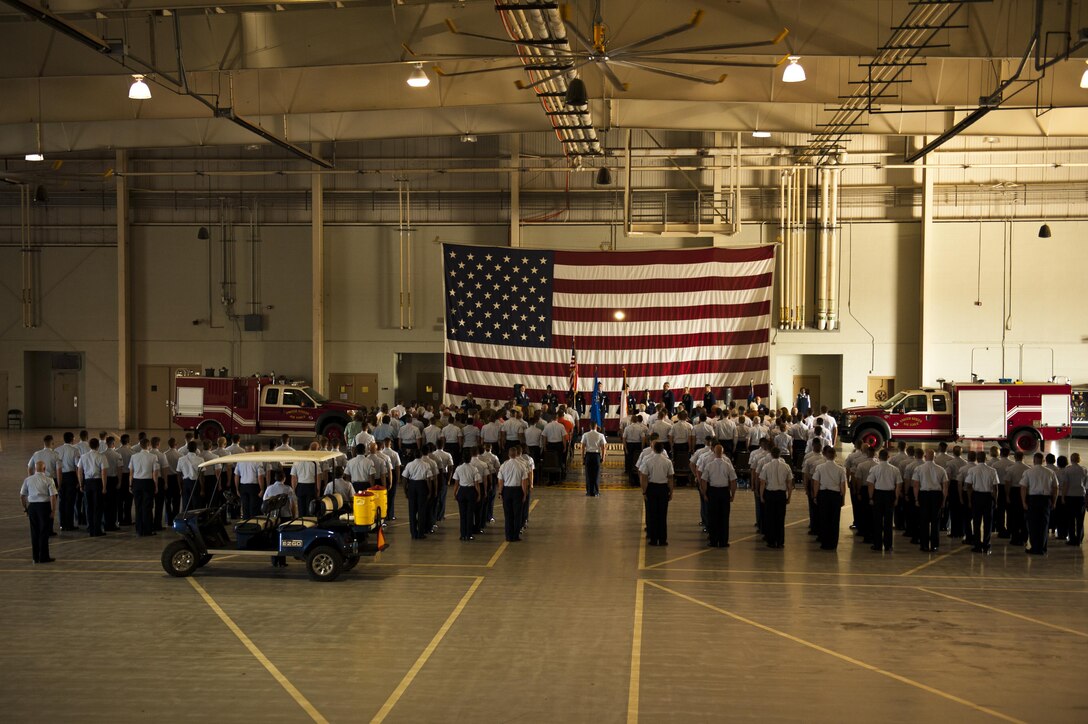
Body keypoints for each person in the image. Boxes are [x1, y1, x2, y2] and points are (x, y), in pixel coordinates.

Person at [1020, 452, 1059, 555]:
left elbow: (1023, 487)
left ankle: (1034, 547)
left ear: (1034, 460)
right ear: (1043, 461)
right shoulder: (1050, 472)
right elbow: (1055, 488)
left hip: (1033, 499)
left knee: (1033, 525)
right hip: (1046, 500)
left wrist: (1024, 502)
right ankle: (1042, 548)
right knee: (1044, 525)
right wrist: (1054, 502)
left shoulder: (1028, 472)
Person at [700, 444, 737, 548]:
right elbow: (733, 481)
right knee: (724, 517)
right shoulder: (728, 465)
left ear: (714, 452)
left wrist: (705, 493)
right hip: (724, 492)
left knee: (713, 517)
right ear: (723, 452)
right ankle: (723, 541)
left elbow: (704, 480)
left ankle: (713, 540)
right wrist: (732, 494)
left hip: (713, 492)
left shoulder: (709, 465)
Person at [21, 460, 58, 563]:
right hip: (44, 507)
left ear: (35, 469)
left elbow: (22, 496)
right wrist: (53, 510)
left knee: (34, 532)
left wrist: (25, 508)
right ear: (44, 469)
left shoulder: (28, 480)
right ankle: (44, 557)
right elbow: (53, 497)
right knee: (43, 532)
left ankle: (35, 557)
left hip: (32, 506)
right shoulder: (49, 480)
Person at [639, 442, 675, 546]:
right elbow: (670, 478)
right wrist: (671, 492)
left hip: (652, 488)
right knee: (663, 515)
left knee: (652, 514)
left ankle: (654, 539)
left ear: (653, 449)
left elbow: (644, 477)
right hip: (663, 488)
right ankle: (663, 539)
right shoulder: (668, 462)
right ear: (662, 450)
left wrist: (644, 491)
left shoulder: (647, 460)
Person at [866, 449, 903, 552]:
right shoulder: (895, 469)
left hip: (878, 495)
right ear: (888, 457)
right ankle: (888, 545)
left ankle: (877, 544)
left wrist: (871, 497)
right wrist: (896, 498)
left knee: (877, 521)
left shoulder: (874, 469)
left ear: (879, 457)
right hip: (890, 495)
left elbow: (870, 484)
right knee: (888, 521)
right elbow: (898, 485)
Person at [913, 450, 949, 553]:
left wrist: (916, 499)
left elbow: (916, 485)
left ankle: (924, 545)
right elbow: (945, 486)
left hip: (924, 495)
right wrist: (943, 499)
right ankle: (934, 545)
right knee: (935, 521)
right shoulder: (941, 470)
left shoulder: (919, 468)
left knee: (923, 521)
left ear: (925, 456)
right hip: (936, 495)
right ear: (934, 457)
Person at [812, 446, 847, 550]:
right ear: (835, 455)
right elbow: (842, 485)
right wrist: (843, 498)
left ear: (826, 455)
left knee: (824, 519)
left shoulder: (820, 467)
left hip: (824, 495)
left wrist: (815, 495)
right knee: (835, 521)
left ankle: (825, 542)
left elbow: (816, 483)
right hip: (835, 496)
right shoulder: (840, 469)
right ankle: (833, 543)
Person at [964, 457, 1000, 554]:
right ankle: (986, 544)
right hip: (988, 497)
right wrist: (995, 500)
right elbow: (995, 487)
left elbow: (968, 486)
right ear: (985, 459)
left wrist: (970, 500)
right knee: (988, 522)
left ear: (977, 459)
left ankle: (977, 545)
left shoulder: (972, 470)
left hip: (977, 496)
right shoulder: (992, 470)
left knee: (976, 522)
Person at [760, 447, 793, 548]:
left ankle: (771, 541)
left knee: (770, 518)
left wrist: (761, 495)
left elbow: (762, 483)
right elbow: (789, 484)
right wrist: (789, 497)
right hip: (781, 494)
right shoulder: (786, 466)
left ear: (771, 454)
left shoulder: (766, 466)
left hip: (770, 494)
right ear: (780, 454)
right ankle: (780, 541)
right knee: (780, 518)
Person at [128, 439, 160, 537]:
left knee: (138, 507)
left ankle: (139, 529)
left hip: (136, 482)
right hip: (148, 483)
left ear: (140, 446)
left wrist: (130, 484)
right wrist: (156, 486)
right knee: (147, 507)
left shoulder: (134, 456)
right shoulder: (153, 456)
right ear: (149, 445)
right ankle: (147, 530)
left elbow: (131, 473)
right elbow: (155, 473)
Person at [76, 438, 108, 537]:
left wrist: (81, 484)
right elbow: (103, 473)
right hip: (97, 482)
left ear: (89, 446)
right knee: (98, 507)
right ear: (98, 445)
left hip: (87, 482)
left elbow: (80, 472)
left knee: (88, 507)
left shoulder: (83, 456)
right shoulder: (101, 456)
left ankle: (90, 528)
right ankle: (97, 529)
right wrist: (104, 486)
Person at [262, 478, 297, 567]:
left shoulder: (269, 488)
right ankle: (282, 561)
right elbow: (292, 503)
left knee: (273, 538)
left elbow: (264, 501)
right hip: (285, 516)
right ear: (284, 478)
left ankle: (274, 561)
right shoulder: (288, 488)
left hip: (273, 517)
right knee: (283, 539)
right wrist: (293, 516)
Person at [498, 447, 529, 542]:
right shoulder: (521, 466)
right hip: (517, 490)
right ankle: (515, 535)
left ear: (509, 454)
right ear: (516, 454)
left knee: (508, 515)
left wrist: (500, 492)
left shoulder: (503, 465)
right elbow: (524, 482)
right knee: (517, 514)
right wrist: (524, 494)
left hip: (507, 490)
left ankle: (508, 535)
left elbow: (500, 481)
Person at [402, 452, 434, 540]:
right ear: (421, 455)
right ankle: (421, 533)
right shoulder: (426, 465)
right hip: (422, 486)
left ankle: (413, 533)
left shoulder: (409, 465)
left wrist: (405, 491)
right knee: (421, 510)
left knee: (412, 511)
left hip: (412, 485)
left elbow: (404, 478)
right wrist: (430, 491)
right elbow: (428, 479)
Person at [453, 452, 482, 541]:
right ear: (470, 459)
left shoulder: (458, 468)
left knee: (462, 514)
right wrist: (479, 494)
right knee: (470, 514)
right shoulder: (474, 469)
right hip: (471, 491)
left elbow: (456, 483)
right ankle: (469, 534)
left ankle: (462, 534)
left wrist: (454, 493)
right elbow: (476, 484)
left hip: (461, 491)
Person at [291, 443, 325, 518]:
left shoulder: (296, 461)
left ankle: (301, 524)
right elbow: (318, 477)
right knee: (310, 509)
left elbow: (293, 477)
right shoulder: (314, 461)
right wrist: (318, 489)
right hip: (311, 486)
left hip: (300, 486)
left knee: (301, 508)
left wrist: (294, 489)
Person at [55, 432, 81, 532]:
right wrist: (79, 480)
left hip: (60, 475)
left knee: (62, 501)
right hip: (71, 476)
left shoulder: (57, 450)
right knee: (70, 501)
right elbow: (77, 467)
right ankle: (69, 524)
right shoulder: (75, 450)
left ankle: (62, 524)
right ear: (72, 439)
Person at [1060, 453, 1086, 546]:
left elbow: (1065, 484)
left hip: (1070, 497)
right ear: (1079, 459)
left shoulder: (1067, 470)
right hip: (1080, 496)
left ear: (1071, 459)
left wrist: (1063, 497)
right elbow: (1086, 486)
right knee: (1080, 520)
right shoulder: (1084, 469)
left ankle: (1072, 539)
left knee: (1070, 519)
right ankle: (1079, 539)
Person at [235, 451, 266, 519]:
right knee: (254, 508)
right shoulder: (257, 460)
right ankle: (253, 525)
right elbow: (260, 476)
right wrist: (262, 489)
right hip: (253, 487)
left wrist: (237, 489)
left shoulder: (240, 461)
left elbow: (236, 476)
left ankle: (245, 525)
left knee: (245, 508)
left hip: (243, 486)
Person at [581, 421, 607, 497]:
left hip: (588, 455)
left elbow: (582, 447)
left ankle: (589, 491)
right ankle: (596, 491)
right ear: (596, 426)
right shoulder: (601, 435)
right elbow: (603, 448)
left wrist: (582, 458)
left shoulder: (585, 435)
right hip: (596, 455)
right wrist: (603, 457)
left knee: (588, 474)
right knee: (596, 474)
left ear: (590, 426)